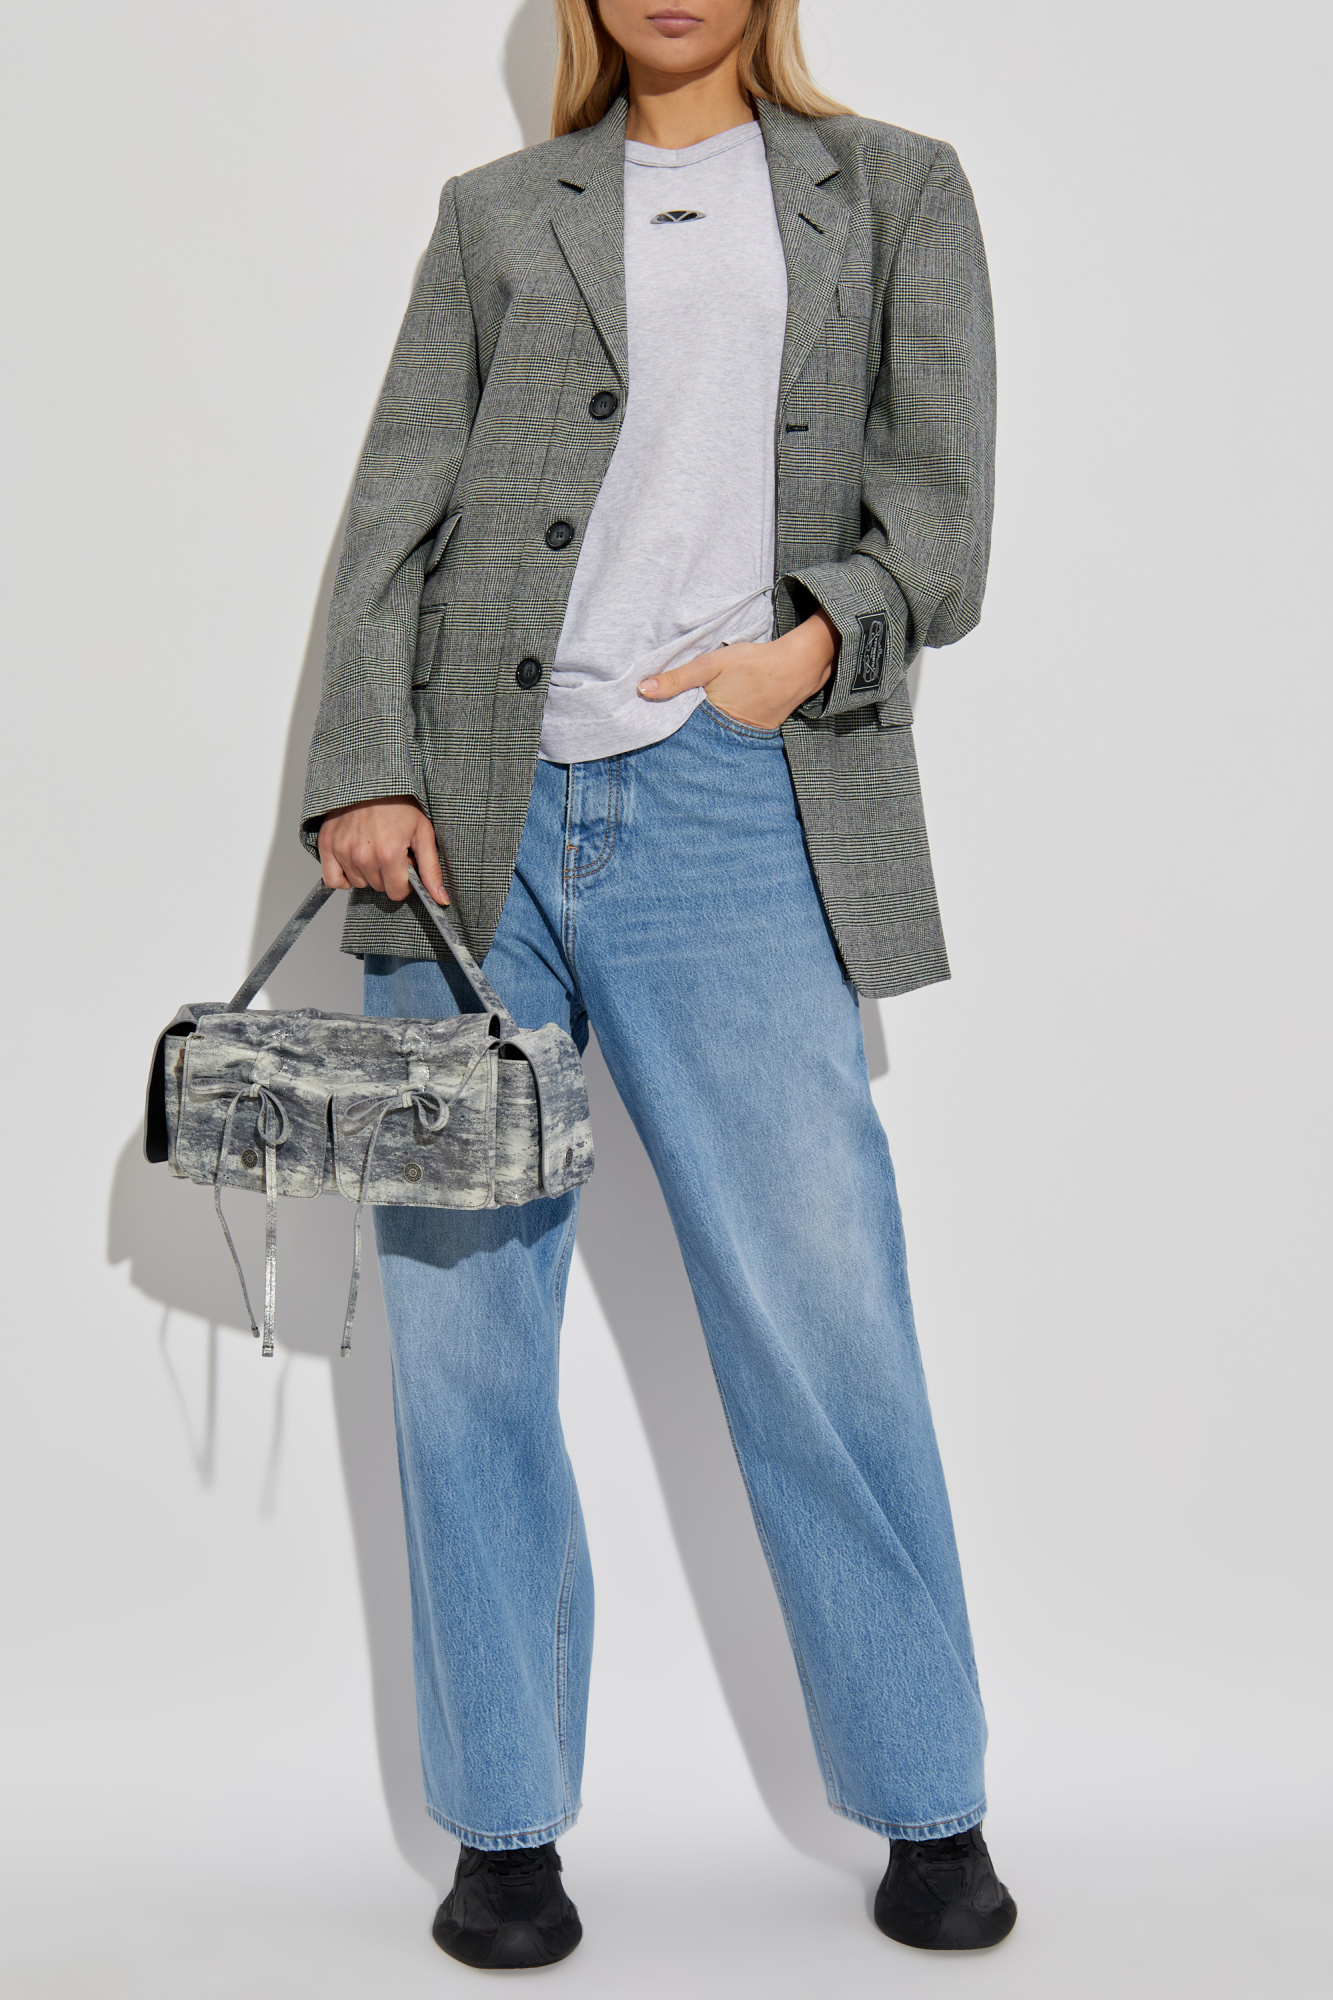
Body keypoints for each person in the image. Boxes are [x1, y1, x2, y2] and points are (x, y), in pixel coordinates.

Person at [303, 0, 1012, 1968]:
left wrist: (811, 644)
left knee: (819, 1309)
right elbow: (398, 504)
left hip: (737, 807)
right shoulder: (494, 212)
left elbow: (939, 518)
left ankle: (928, 1794)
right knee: (462, 1341)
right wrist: (364, 766)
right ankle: (501, 1827)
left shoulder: (893, 192)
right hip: (469, 834)